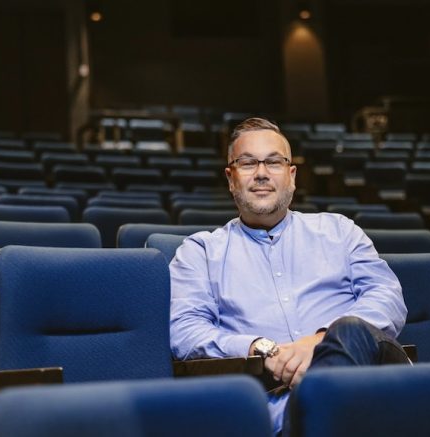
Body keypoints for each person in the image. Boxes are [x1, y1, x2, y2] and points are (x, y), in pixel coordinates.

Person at [169, 117, 408, 435]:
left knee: (351, 331)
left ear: (291, 175)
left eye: (274, 162)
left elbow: (386, 296)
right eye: (247, 163)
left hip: (363, 386)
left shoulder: (339, 231)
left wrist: (322, 342)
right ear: (230, 178)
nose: (262, 173)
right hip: (275, 408)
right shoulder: (200, 252)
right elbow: (185, 331)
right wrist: (265, 349)